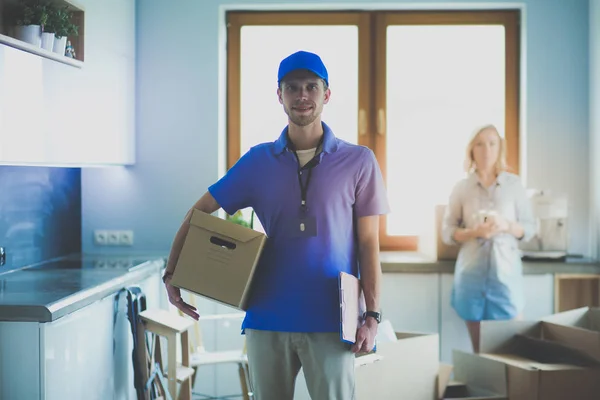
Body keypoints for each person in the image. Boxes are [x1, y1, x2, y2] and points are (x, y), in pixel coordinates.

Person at [162, 50, 390, 399]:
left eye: (312, 87)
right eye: (293, 87)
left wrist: (371, 315)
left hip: (332, 321)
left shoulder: (358, 161)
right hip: (267, 317)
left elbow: (368, 243)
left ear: (326, 95)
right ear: (279, 94)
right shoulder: (257, 161)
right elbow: (199, 213)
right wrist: (172, 273)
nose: (302, 95)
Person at [442, 124, 535, 353]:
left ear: (500, 148)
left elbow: (530, 228)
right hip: (471, 279)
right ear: (472, 150)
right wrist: (475, 232)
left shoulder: (514, 185)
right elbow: (447, 232)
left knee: (512, 352)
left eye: (492, 143)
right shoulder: (462, 188)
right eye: (480, 144)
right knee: (480, 353)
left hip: (506, 279)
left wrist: (506, 225)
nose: (486, 150)